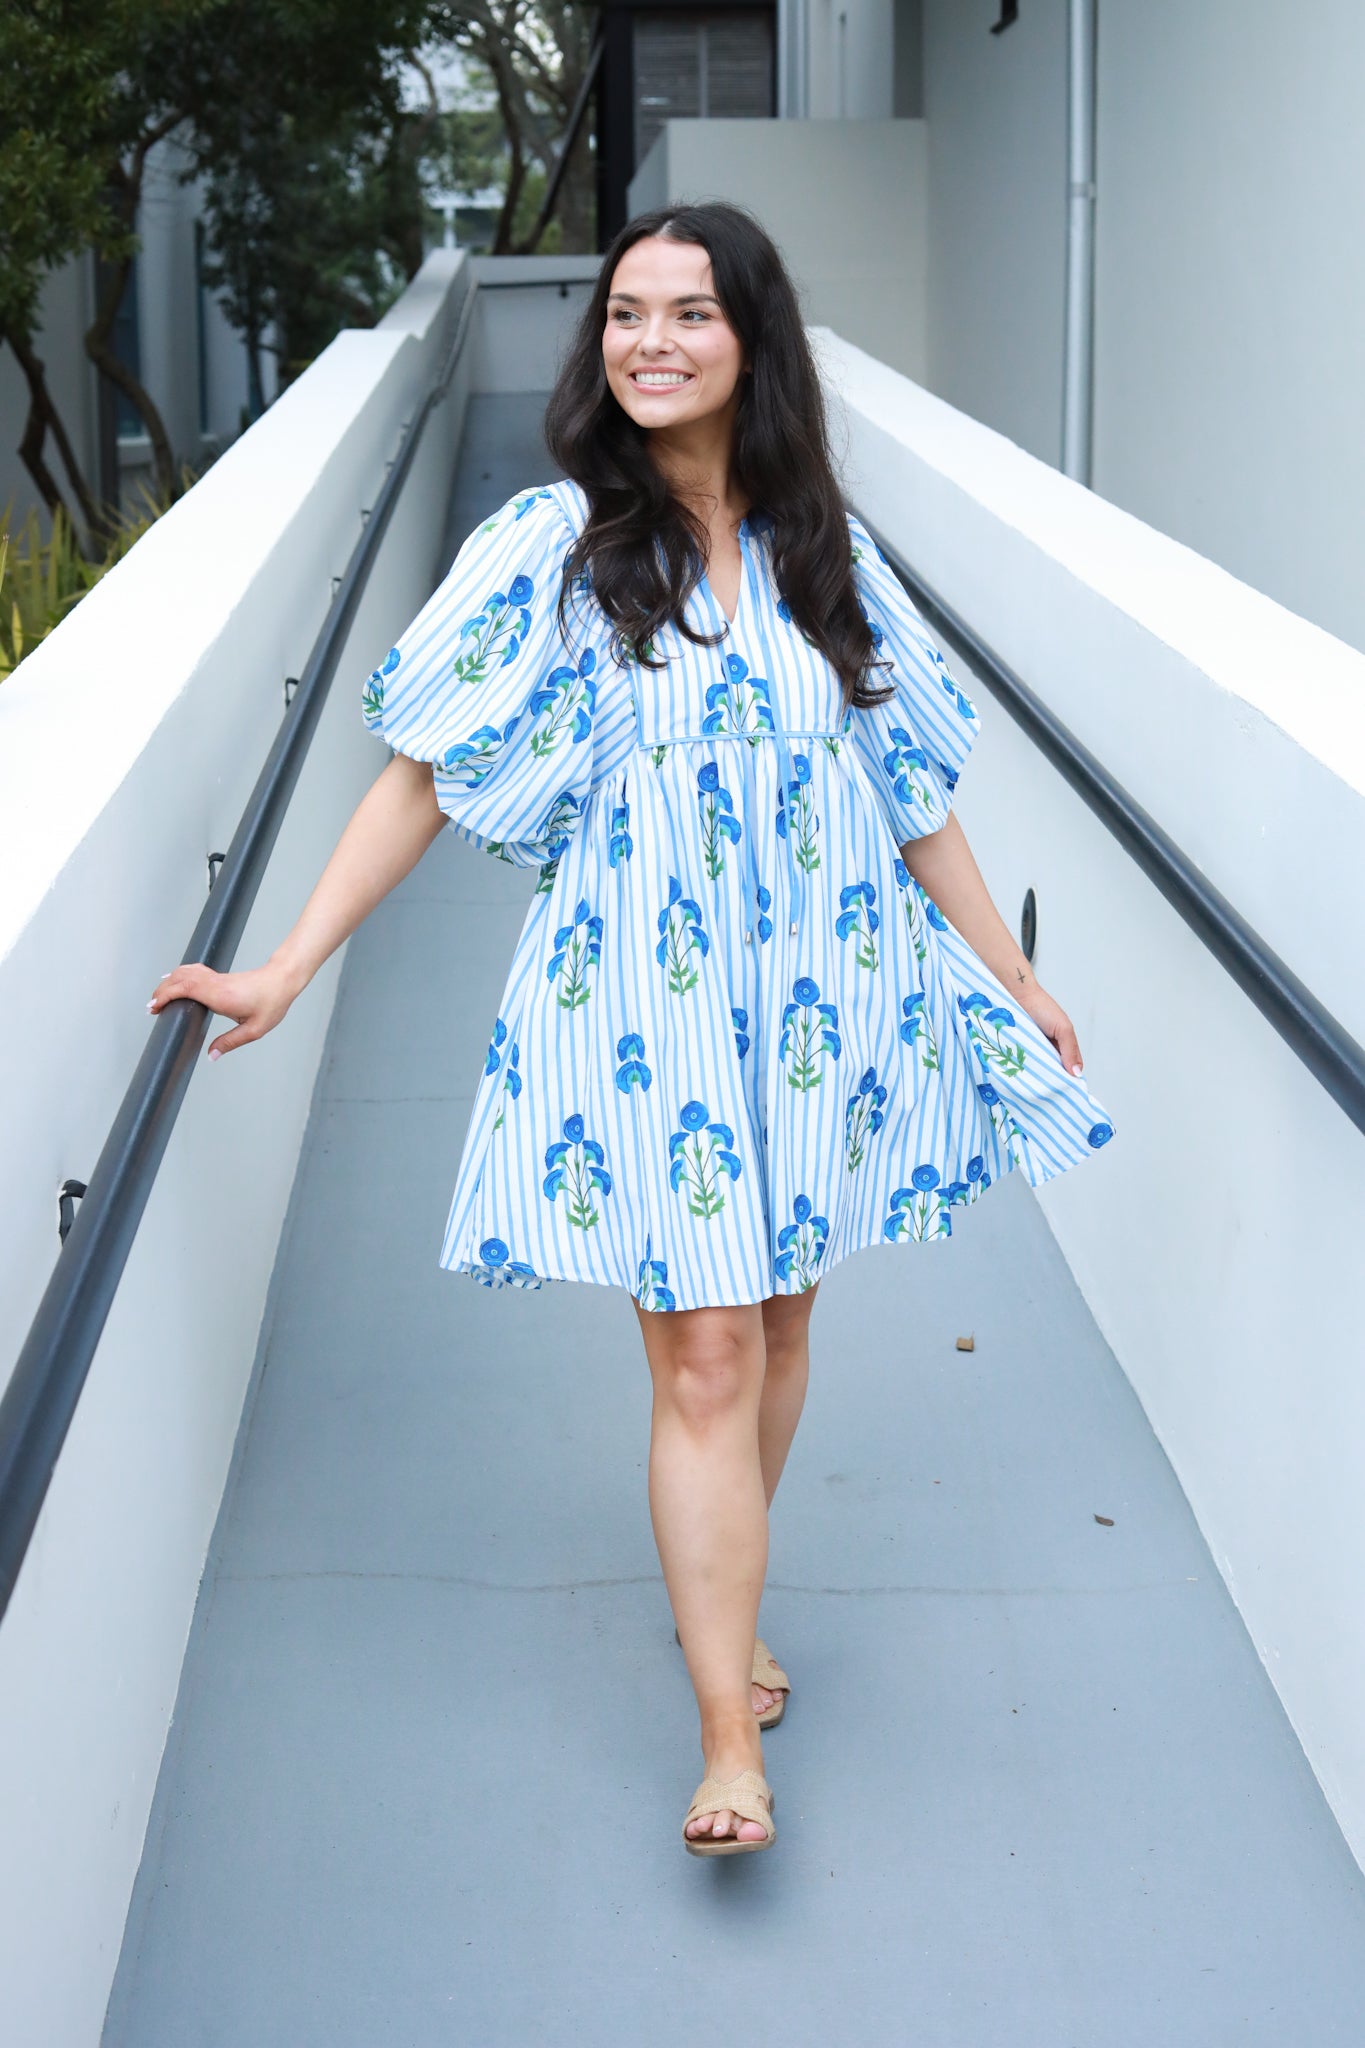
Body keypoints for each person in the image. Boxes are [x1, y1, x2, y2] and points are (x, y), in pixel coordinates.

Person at [149, 200, 1115, 1859]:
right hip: (647, 998)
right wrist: (287, 965)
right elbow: (428, 774)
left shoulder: (827, 549)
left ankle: (730, 1624)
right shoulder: (553, 545)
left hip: (822, 993)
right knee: (707, 1348)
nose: (647, 341)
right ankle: (723, 1736)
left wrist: (1004, 967)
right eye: (622, 314)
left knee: (784, 1330)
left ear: (752, 341)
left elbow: (907, 785)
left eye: (687, 313)